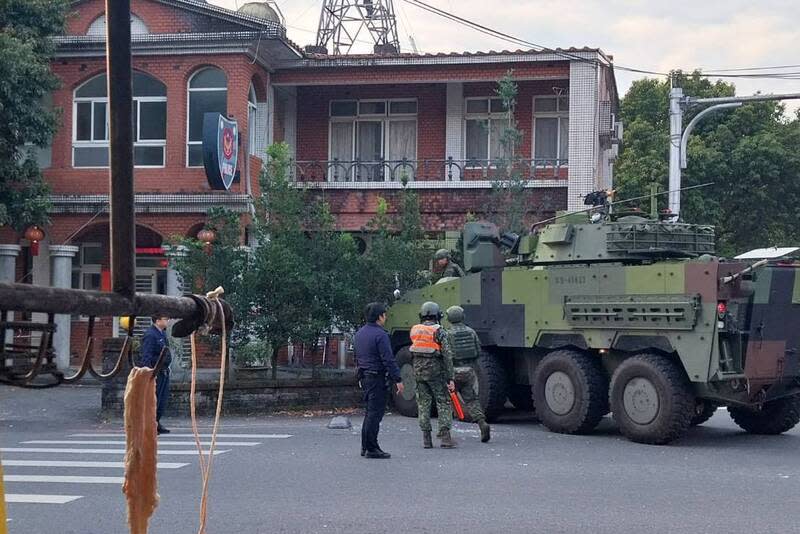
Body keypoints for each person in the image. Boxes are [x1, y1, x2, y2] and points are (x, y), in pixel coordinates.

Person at [354, 302, 404, 459]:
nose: (386, 317)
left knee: (369, 412)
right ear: (380, 316)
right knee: (375, 414)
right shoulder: (381, 335)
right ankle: (372, 448)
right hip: (377, 377)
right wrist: (398, 378)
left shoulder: (360, 333)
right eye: (385, 314)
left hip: (365, 376)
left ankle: (365, 445)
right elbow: (388, 359)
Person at [410, 301, 457, 449]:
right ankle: (445, 438)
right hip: (436, 373)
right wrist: (450, 377)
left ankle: (426, 439)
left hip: (418, 372)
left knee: (423, 403)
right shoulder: (440, 331)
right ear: (437, 315)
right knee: (443, 402)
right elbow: (447, 355)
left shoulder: (415, 330)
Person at [445, 305, 491, 443]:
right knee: (471, 400)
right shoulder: (471, 332)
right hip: (468, 371)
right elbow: (478, 351)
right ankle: (482, 423)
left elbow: (445, 355)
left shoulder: (447, 333)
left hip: (452, 372)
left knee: (445, 402)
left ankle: (446, 433)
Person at [140, 315, 173, 435]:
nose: (167, 321)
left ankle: (156, 422)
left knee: (161, 400)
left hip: (163, 371)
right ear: (157, 320)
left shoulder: (162, 333)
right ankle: (149, 425)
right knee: (153, 400)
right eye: (165, 318)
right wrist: (148, 373)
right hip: (155, 372)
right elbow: (146, 356)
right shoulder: (150, 335)